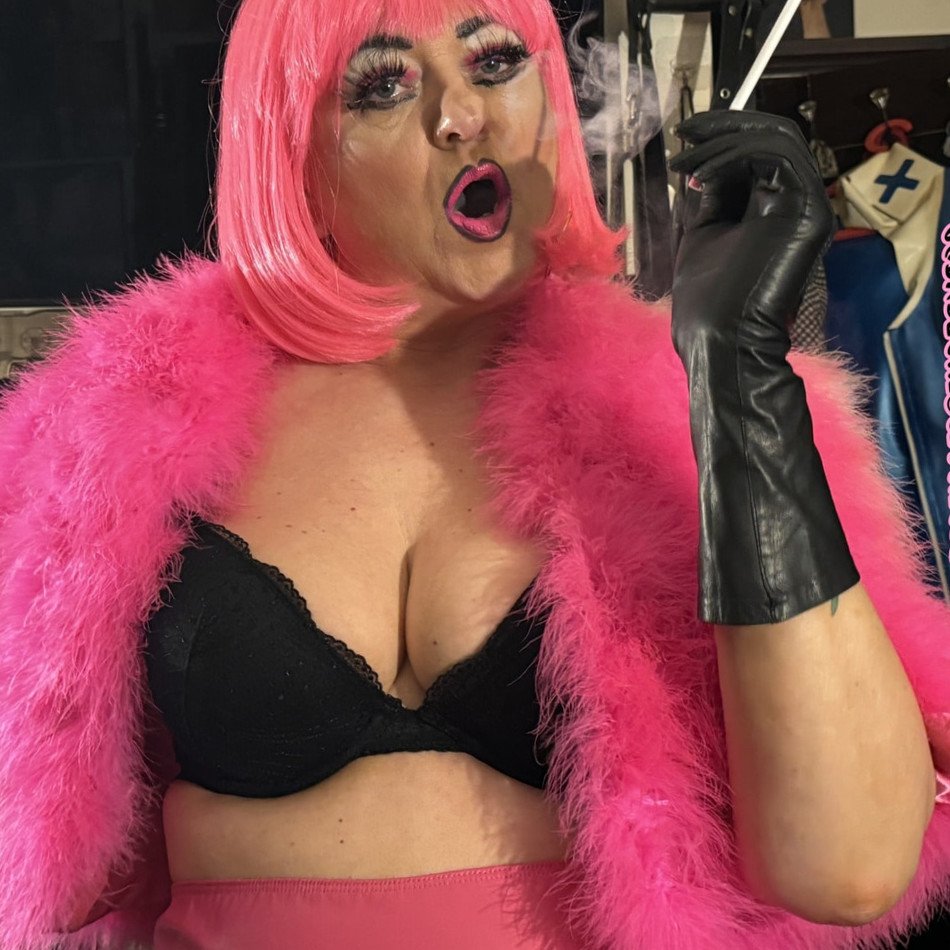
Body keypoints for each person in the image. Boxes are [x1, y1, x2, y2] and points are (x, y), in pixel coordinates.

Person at [2, 1, 950, 948]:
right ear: (292, 150)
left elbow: (850, 869)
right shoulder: (115, 424)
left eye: (495, 63)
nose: (462, 115)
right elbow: (44, 850)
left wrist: (740, 381)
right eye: (383, 85)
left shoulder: (689, 409)